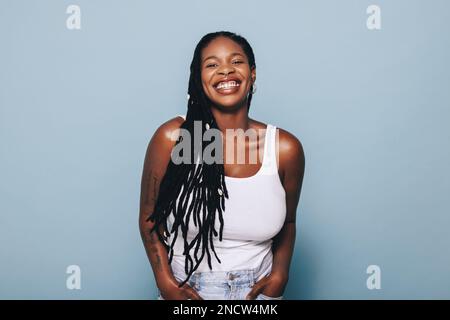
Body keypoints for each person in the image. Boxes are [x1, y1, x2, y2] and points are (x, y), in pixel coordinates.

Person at [139, 31, 305, 300]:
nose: (225, 70)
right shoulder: (174, 138)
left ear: (252, 74)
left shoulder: (284, 148)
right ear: (198, 78)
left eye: (236, 62)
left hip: (259, 294)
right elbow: (149, 219)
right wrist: (166, 284)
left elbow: (288, 221)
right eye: (212, 64)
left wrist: (280, 275)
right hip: (187, 290)